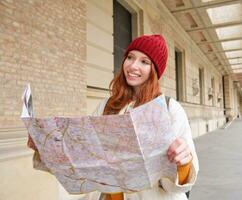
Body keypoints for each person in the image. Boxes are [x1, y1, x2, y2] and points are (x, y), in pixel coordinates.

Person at [28, 34, 199, 200]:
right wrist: (45, 145)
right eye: (130, 57)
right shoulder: (107, 106)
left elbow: (177, 184)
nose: (133, 66)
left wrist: (183, 162)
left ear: (154, 71)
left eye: (144, 61)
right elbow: (83, 154)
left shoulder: (170, 109)